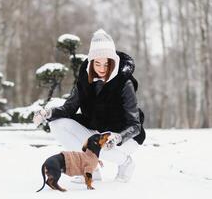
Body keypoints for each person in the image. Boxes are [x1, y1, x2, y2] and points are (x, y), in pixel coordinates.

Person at [33, 29, 145, 183]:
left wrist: (118, 137)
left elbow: (135, 125)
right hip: (97, 129)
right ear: (91, 62)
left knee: (101, 142)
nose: (102, 68)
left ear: (113, 61)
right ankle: (90, 168)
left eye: (107, 63)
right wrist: (46, 113)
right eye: (97, 63)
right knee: (58, 123)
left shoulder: (124, 83)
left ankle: (126, 163)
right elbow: (69, 108)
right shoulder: (85, 80)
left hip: (125, 136)